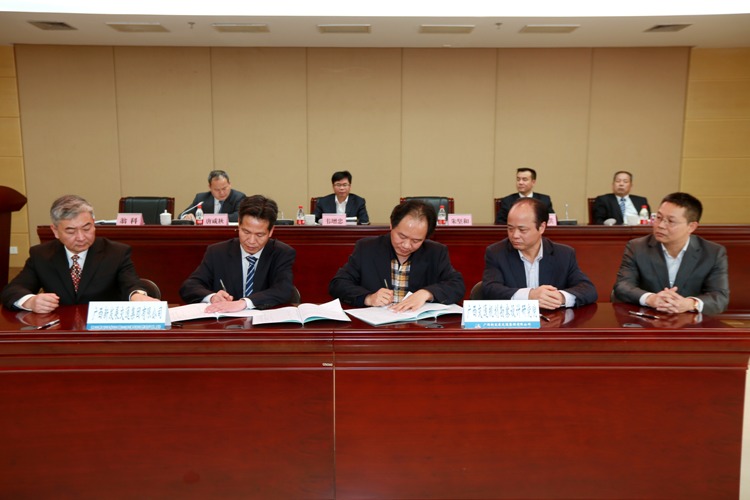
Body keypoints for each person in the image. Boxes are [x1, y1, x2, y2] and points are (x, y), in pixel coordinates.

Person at [1, 195, 157, 313]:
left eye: (86, 228)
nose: (81, 237)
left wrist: (136, 295)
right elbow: (12, 290)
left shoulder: (116, 252)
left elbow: (131, 284)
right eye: (71, 231)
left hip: (103, 333)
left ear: (94, 224)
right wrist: (30, 301)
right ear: (55, 231)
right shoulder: (41, 255)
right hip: (60, 331)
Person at [329, 200, 464, 311]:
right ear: (391, 225)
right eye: (402, 236)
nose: (406, 245)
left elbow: (457, 285)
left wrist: (427, 293)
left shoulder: (435, 252)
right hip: (376, 327)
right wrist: (368, 298)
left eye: (416, 241)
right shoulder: (367, 248)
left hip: (418, 327)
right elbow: (338, 284)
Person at [613, 192, 729, 315]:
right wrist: (651, 299)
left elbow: (720, 297)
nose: (661, 225)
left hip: (690, 321)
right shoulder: (637, 247)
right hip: (648, 319)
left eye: (671, 221)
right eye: (658, 218)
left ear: (691, 226)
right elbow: (623, 286)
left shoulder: (712, 252)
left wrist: (690, 304)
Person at [180, 194, 295, 312]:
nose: (251, 241)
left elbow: (283, 290)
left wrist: (244, 303)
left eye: (259, 235)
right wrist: (212, 297)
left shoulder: (281, 253)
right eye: (246, 232)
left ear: (271, 231)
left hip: (265, 320)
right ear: (239, 223)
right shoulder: (217, 252)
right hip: (226, 321)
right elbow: (189, 286)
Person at [483, 197, 597, 308]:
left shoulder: (564, 254)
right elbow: (490, 289)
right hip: (515, 319)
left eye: (522, 230)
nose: (515, 235)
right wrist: (530, 295)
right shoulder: (496, 252)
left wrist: (561, 297)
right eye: (510, 228)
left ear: (541, 227)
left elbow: (588, 289)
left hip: (553, 319)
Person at [181, 170, 246, 223]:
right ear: (210, 187)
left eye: (224, 188)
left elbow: (240, 216)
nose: (221, 193)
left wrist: (212, 218)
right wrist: (187, 216)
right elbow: (182, 214)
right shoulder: (201, 198)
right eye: (217, 190)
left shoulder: (239, 197)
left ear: (229, 184)